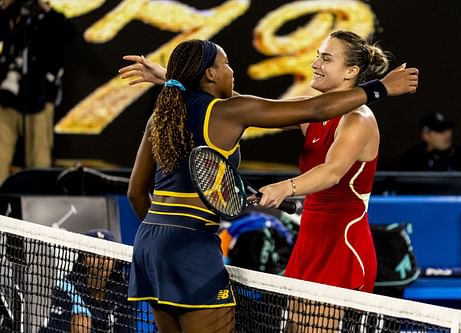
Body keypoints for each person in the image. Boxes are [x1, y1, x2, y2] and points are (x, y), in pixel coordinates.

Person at [123, 39, 418, 333]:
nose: (315, 64)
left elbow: (331, 171)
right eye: (226, 64)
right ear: (210, 74)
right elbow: (252, 107)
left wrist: (285, 187)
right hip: (281, 243)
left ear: (350, 71)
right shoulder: (250, 111)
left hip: (341, 243)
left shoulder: (358, 119)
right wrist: (381, 88)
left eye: (325, 58)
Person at [0, 0, 74, 185]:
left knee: (39, 156)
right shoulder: (12, 16)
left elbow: (68, 33)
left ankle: (40, 203)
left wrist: (44, 7)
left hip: (38, 98)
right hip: (7, 98)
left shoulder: (50, 19)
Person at [39, 229, 134, 332]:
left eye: (108, 254)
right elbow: (54, 329)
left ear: (115, 260)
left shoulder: (124, 294)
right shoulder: (66, 288)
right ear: (84, 259)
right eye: (95, 254)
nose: (102, 261)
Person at [396, 111, 461, 171]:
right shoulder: (411, 160)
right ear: (426, 135)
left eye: (448, 129)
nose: (448, 135)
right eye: (440, 130)